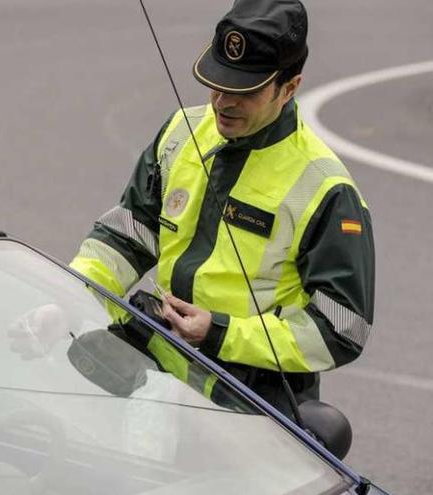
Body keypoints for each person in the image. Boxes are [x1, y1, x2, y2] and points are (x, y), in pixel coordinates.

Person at [67, 0, 375, 415]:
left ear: (290, 87)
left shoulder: (326, 189)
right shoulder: (181, 130)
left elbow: (342, 330)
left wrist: (219, 332)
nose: (222, 102)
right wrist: (70, 299)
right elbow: (129, 235)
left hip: (247, 408)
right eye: (217, 81)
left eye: (244, 91)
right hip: (153, 386)